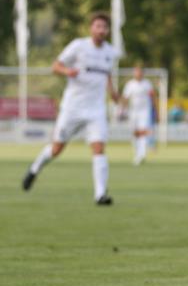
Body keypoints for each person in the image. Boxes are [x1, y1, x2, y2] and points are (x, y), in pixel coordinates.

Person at [22, 12, 120, 205]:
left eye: (105, 27)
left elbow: (107, 75)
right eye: (98, 26)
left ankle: (100, 194)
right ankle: (35, 168)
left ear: (108, 31)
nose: (101, 30)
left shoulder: (111, 52)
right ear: (91, 28)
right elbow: (55, 66)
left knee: (99, 147)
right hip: (73, 108)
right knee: (57, 149)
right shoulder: (78, 46)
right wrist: (68, 71)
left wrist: (113, 92)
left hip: (96, 109)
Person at [121, 64, 156, 165]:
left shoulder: (147, 84)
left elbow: (153, 96)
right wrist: (122, 110)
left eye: (140, 72)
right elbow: (125, 98)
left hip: (144, 111)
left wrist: (155, 110)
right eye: (136, 72)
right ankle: (137, 153)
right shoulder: (130, 84)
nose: (138, 74)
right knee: (134, 133)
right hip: (133, 111)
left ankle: (142, 155)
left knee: (143, 131)